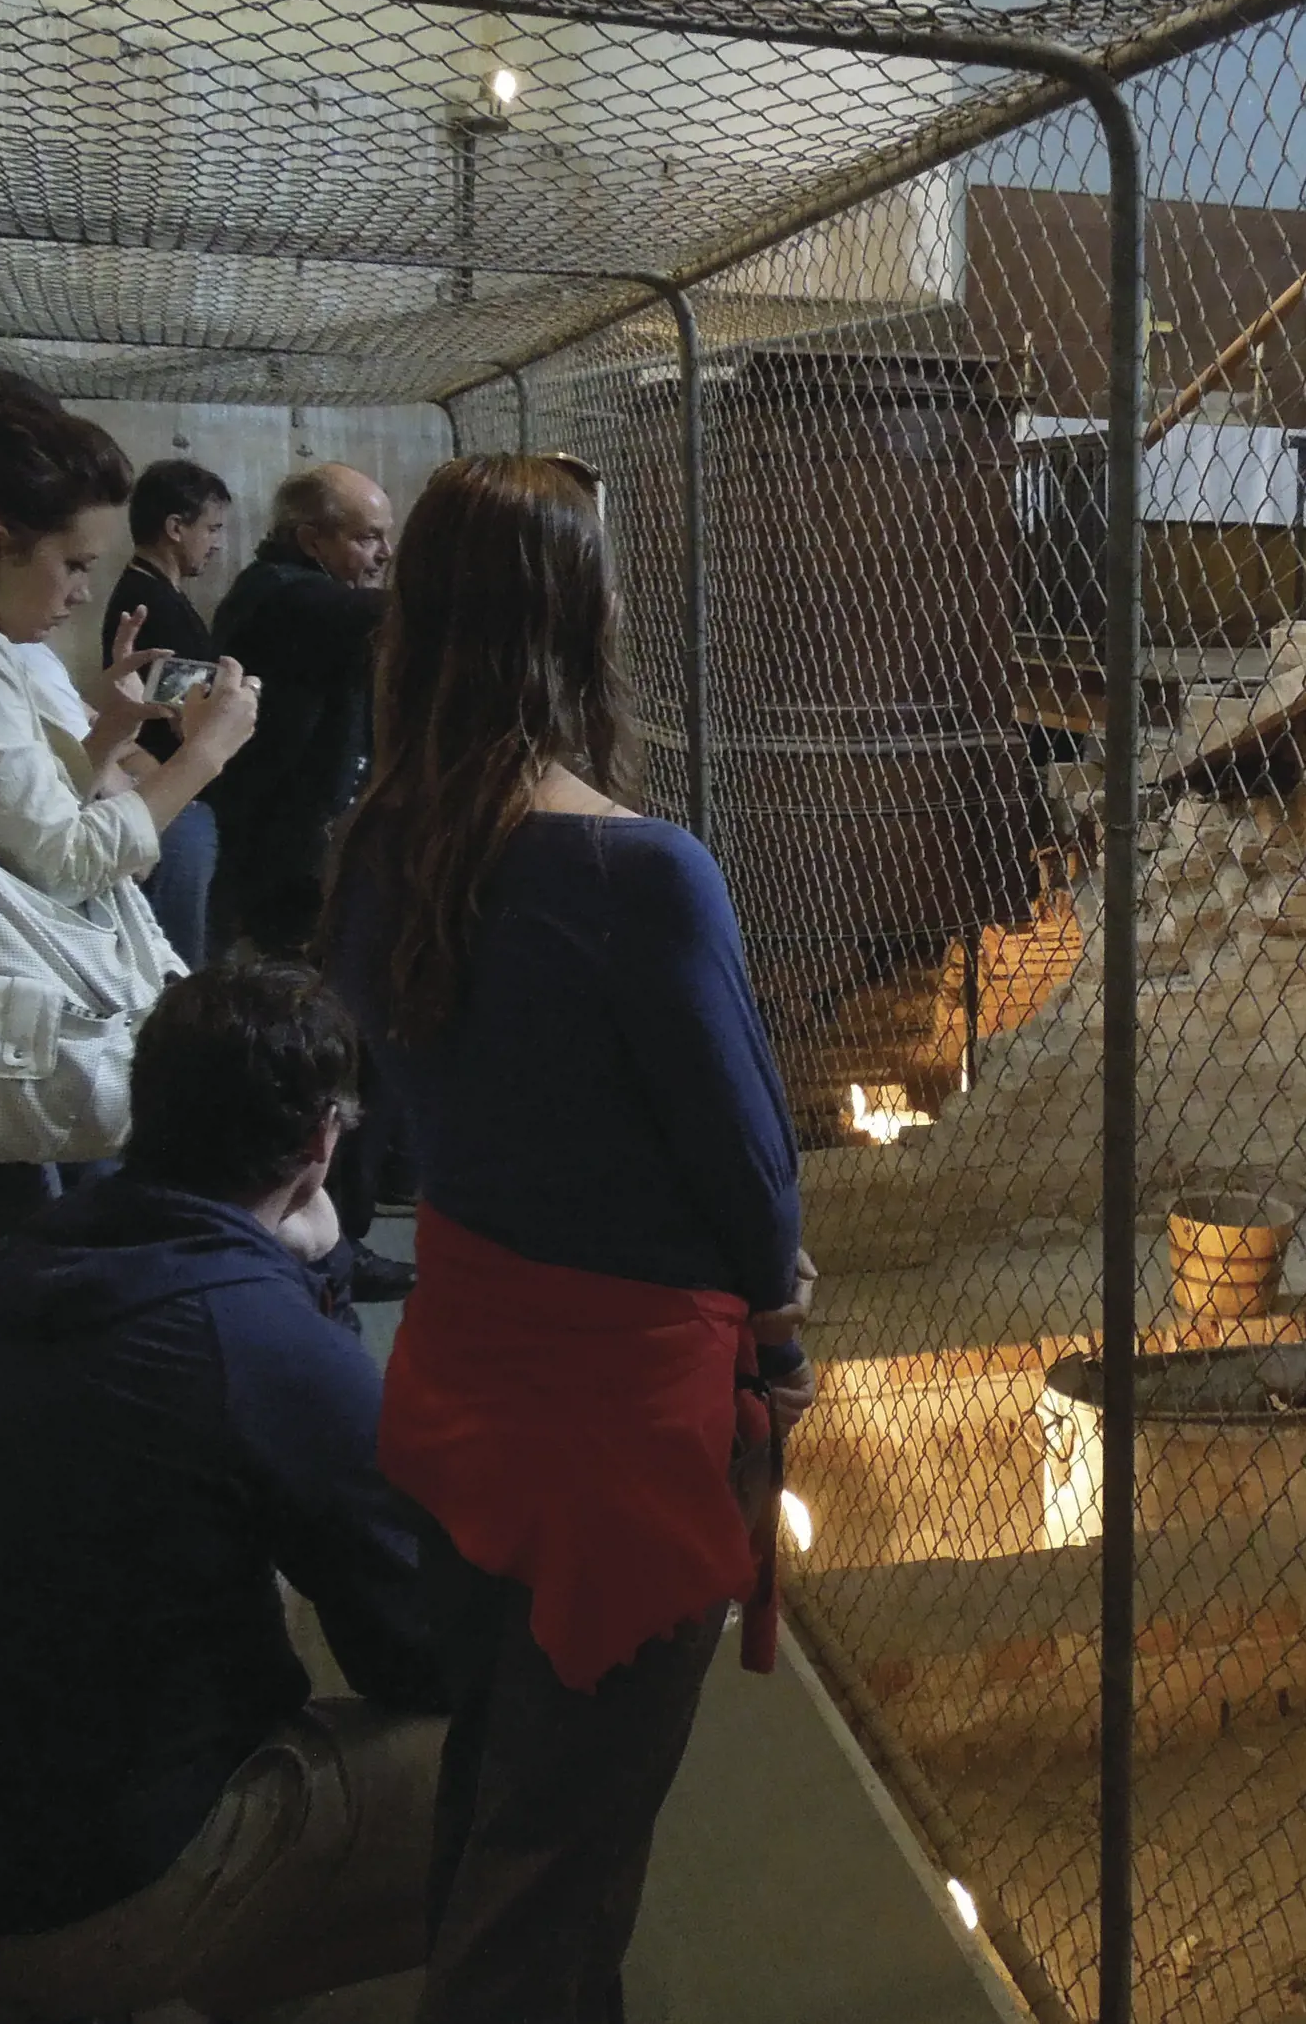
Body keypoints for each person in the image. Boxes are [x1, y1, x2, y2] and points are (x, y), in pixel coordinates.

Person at [324, 454, 813, 2024]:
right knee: (563, 1850)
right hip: (614, 1423)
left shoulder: (385, 841)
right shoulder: (633, 870)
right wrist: (777, 1300)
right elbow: (750, 1162)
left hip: (462, 1372)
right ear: (575, 617)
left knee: (499, 1769)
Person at [0, 959, 448, 2020]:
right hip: (68, 1909)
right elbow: (414, 1645)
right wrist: (324, 1282)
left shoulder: (42, 1249)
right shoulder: (255, 1337)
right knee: (527, 1763)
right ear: (320, 1142)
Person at [0, 362, 259, 1333]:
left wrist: (108, 736)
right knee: (28, 1383)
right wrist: (199, 756)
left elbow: (2, 829)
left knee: (33, 1370)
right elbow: (62, 858)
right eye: (72, 564)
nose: (79, 591)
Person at [213, 460, 418, 1302]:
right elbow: (387, 616)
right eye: (368, 535)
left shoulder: (288, 591)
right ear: (312, 538)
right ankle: (325, 1243)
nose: (382, 552)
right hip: (286, 871)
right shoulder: (284, 596)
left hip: (298, 862)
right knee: (328, 1056)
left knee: (340, 1051)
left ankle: (330, 1234)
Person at [104, 455, 237, 967]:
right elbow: (185, 716)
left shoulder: (156, 592)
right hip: (171, 798)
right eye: (212, 528)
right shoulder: (148, 601)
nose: (218, 541)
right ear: (175, 528)